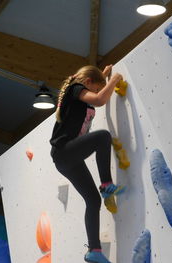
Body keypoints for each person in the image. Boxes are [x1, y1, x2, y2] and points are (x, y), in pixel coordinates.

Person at [49, 65, 125, 263]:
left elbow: (95, 87)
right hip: (64, 151)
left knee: (92, 200)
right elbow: (99, 100)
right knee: (102, 137)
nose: (97, 92)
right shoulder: (75, 89)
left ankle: (94, 251)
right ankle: (107, 185)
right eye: (95, 88)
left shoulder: (83, 87)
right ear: (88, 83)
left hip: (68, 159)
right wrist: (114, 78)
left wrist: (104, 74)